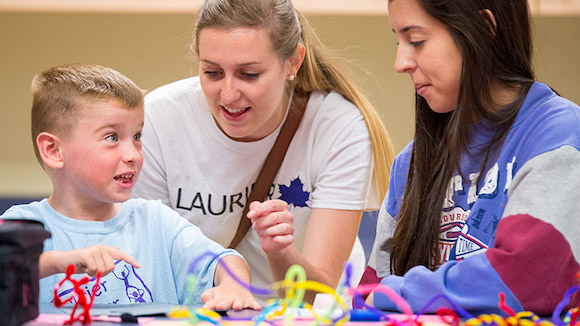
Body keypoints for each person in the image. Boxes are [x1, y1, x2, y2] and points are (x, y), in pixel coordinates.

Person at [131, 0, 396, 303]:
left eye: (250, 74)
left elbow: (315, 295)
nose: (228, 95)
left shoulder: (337, 126)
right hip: (202, 311)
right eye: (212, 73)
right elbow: (151, 267)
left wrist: (281, 250)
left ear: (293, 63)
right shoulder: (159, 118)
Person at [360, 0, 580, 316]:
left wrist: (397, 294)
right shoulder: (409, 163)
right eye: (399, 40)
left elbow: (523, 280)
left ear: (484, 29)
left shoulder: (559, 135)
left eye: (417, 41)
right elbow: (370, 296)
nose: (401, 63)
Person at [0, 63, 260, 310]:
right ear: (53, 150)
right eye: (112, 137)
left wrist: (233, 287)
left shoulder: (157, 222)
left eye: (137, 136)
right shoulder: (20, 227)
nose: (133, 154)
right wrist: (59, 262)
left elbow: (226, 260)